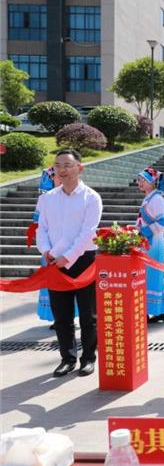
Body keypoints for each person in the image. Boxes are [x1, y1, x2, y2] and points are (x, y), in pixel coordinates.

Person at [36, 149, 103, 377]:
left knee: (88, 315)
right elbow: (42, 229)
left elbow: (88, 233)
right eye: (57, 165)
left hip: (83, 260)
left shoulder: (91, 197)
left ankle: (88, 358)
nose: (61, 170)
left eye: (67, 165)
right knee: (61, 315)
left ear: (79, 168)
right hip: (54, 260)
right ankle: (67, 358)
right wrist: (46, 251)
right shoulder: (48, 198)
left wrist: (69, 257)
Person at [32, 168, 76, 328]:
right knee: (52, 283)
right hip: (50, 246)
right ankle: (58, 318)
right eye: (55, 176)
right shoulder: (45, 198)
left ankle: (69, 317)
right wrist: (45, 247)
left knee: (69, 283)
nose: (59, 178)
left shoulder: (74, 195)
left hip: (68, 247)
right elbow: (38, 224)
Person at [136, 167, 164, 323]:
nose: (140, 183)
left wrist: (143, 231)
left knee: (150, 276)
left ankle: (147, 310)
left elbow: (163, 222)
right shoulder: (149, 198)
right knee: (152, 276)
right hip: (147, 243)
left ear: (152, 182)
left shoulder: (157, 199)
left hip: (153, 243)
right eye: (139, 180)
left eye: (144, 180)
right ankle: (160, 310)